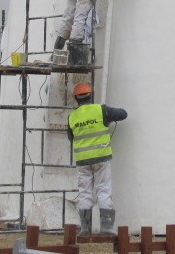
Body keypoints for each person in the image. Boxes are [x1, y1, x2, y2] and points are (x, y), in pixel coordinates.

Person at [67, 83, 127, 236]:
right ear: (91, 95)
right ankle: (106, 227)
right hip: (101, 158)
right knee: (103, 190)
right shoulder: (101, 110)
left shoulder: (72, 117)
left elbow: (71, 137)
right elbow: (123, 114)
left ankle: (85, 229)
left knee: (85, 193)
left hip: (82, 161)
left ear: (76, 98)